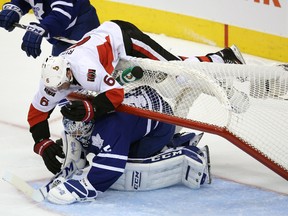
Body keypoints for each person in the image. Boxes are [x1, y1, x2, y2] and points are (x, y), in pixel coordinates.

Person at [27, 19, 246, 175]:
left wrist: (91, 110)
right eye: (59, 87)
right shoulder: (52, 81)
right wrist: (42, 145)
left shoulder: (85, 69)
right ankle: (219, 62)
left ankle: (224, 62)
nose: (63, 89)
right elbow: (37, 114)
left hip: (123, 37)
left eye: (65, 83)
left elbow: (115, 93)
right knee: (170, 69)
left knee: (177, 72)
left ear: (68, 71)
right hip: (110, 59)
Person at [45, 85, 211, 204]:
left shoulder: (111, 128)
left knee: (131, 162)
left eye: (78, 129)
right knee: (112, 143)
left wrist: (84, 187)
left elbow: (113, 166)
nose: (76, 133)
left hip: (161, 124)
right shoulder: (92, 109)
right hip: (144, 106)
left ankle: (183, 149)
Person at [0, 0, 100, 58]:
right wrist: (14, 9)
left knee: (77, 75)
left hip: (82, 30)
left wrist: (43, 28)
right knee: (57, 77)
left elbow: (62, 13)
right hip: (61, 34)